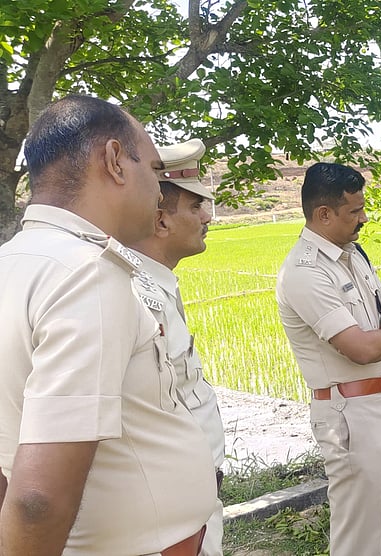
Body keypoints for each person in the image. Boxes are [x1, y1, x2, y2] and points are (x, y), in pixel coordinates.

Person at [0, 95, 216, 554]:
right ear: (116, 161)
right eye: (153, 170)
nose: (160, 193)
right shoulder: (86, 272)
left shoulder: (14, 263)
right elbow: (38, 497)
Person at [276, 162, 381, 556]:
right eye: (354, 211)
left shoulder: (353, 255)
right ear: (324, 214)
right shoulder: (305, 273)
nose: (363, 219)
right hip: (348, 412)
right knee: (357, 533)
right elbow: (363, 348)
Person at [128, 138, 226, 556]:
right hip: (164, 517)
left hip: (194, 501)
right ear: (160, 221)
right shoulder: (135, 294)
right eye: (194, 206)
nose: (207, 217)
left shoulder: (160, 284)